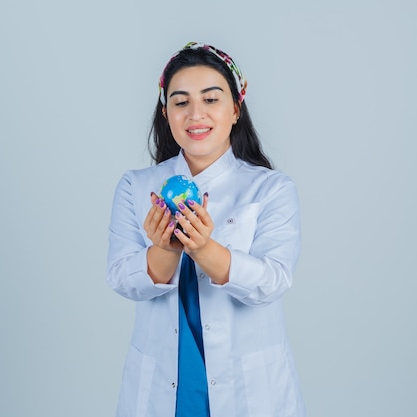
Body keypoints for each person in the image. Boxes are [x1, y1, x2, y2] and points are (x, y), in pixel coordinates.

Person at [106, 42, 306, 417]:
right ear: (166, 113)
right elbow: (121, 277)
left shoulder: (271, 189)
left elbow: (274, 281)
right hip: (165, 384)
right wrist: (164, 250)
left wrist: (204, 249)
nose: (195, 114)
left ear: (235, 109)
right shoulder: (136, 187)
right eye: (181, 102)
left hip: (249, 390)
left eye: (211, 99)